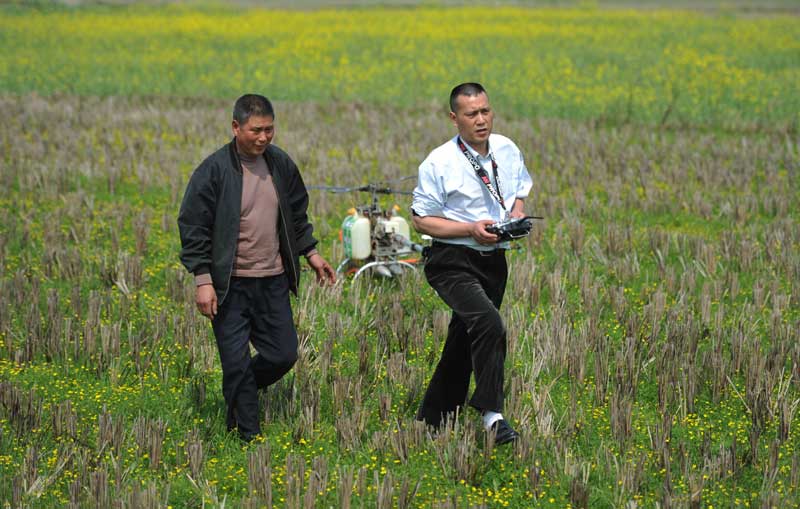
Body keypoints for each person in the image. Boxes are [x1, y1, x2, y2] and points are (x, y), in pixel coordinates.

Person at [178, 94, 336, 441]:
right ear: (236, 127)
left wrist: (310, 253)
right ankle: (248, 439)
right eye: (256, 130)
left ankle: (239, 389)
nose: (264, 137)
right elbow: (193, 227)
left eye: (269, 130)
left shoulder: (280, 164)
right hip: (229, 285)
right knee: (234, 362)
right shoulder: (214, 171)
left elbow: (295, 214)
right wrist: (203, 280)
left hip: (273, 280)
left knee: (283, 355)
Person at [411, 83, 533, 445]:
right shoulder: (439, 162)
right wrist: (470, 229)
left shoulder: (507, 149)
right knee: (488, 323)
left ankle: (433, 418)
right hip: (451, 259)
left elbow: (520, 193)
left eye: (485, 111)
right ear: (454, 118)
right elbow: (421, 220)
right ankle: (492, 416)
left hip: (494, 258)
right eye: (471, 114)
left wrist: (515, 217)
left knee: (465, 337)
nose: (481, 120)